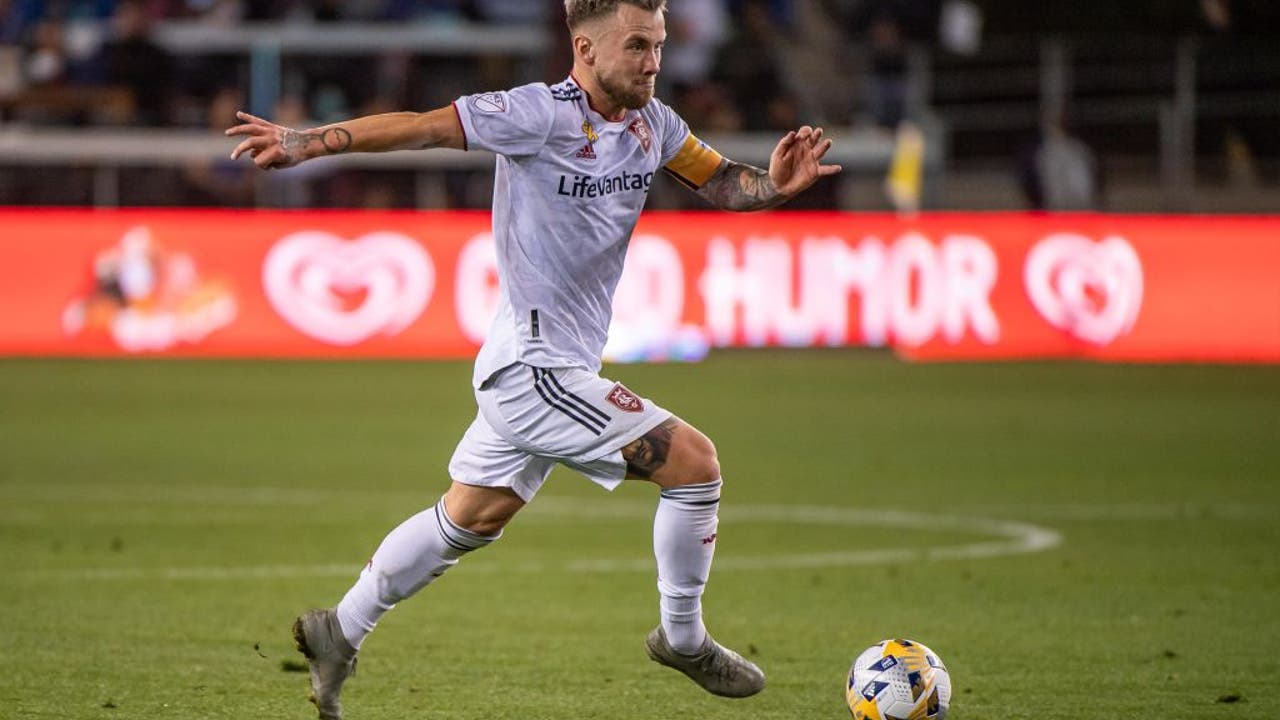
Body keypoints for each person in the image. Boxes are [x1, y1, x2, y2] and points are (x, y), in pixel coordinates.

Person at [226, 1, 840, 718]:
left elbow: (723, 181)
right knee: (694, 465)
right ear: (586, 48)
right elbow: (423, 126)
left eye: (659, 46)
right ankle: (683, 638)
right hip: (534, 369)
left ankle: (341, 629)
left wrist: (774, 186)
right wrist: (307, 142)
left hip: (550, 363)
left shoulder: (656, 124)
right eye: (637, 46)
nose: (653, 62)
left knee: (471, 516)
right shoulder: (535, 114)